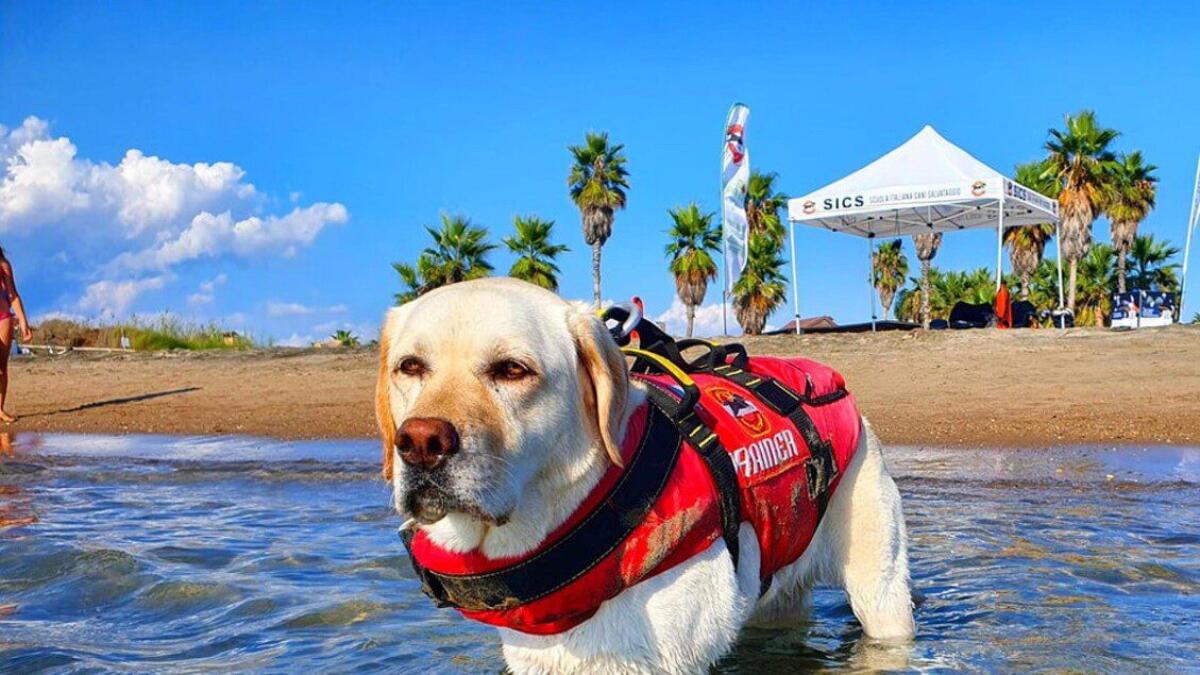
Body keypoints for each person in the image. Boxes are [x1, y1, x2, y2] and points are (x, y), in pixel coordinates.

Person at [0, 246, 33, 423]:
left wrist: (23, 321)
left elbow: (13, 295)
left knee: (1, 368)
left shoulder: (3, 265)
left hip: (3, 318)